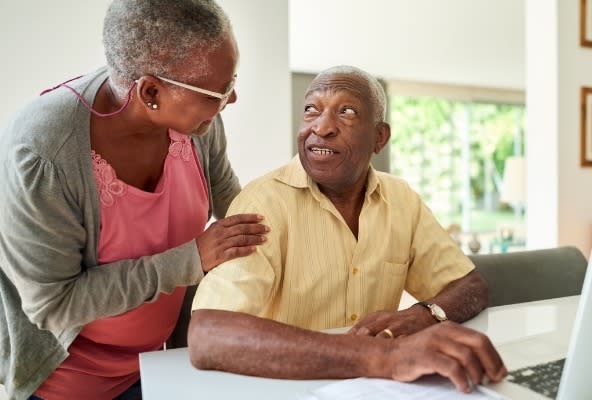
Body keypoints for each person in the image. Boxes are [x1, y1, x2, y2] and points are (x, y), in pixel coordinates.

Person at [0, 1, 269, 399]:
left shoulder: (197, 122)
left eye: (231, 81)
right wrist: (192, 259)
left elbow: (231, 199)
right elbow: (53, 305)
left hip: (160, 364)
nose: (231, 100)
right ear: (151, 91)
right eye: (219, 91)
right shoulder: (44, 155)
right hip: (68, 381)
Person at [188, 65, 508, 393]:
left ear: (379, 137)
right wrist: (384, 356)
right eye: (311, 109)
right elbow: (208, 335)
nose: (322, 127)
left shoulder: (401, 199)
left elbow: (469, 285)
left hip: (376, 389)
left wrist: (424, 314)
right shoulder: (264, 202)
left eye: (347, 112)